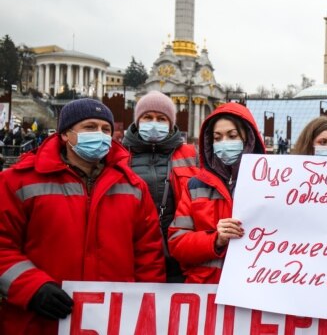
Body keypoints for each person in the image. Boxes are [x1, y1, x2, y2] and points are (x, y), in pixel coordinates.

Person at [0, 99, 165, 334]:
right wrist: (32, 287)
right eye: (90, 127)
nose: (100, 134)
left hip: (111, 321)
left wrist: (143, 305)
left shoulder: (134, 187)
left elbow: (149, 256)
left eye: (105, 129)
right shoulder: (18, 181)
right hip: (38, 321)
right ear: (66, 134)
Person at [168, 102, 265, 283]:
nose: (224, 143)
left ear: (248, 138)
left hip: (252, 289)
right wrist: (215, 240)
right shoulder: (195, 186)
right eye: (217, 138)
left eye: (232, 135)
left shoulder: (268, 185)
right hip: (204, 292)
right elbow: (177, 243)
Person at [122, 90, 200, 283]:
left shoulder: (191, 155)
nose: (154, 123)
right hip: (134, 254)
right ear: (138, 121)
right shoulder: (120, 156)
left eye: (161, 118)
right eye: (147, 117)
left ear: (171, 123)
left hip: (180, 255)